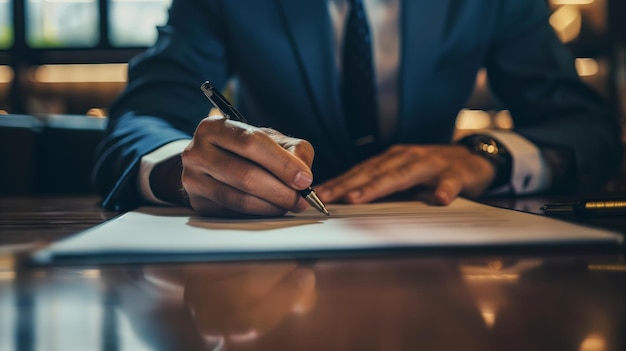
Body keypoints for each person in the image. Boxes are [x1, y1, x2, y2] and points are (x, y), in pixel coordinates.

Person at [94, 0, 623, 217]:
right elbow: (144, 113)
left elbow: (586, 127)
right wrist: (180, 168)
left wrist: (484, 156)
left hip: (436, 260)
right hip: (264, 258)